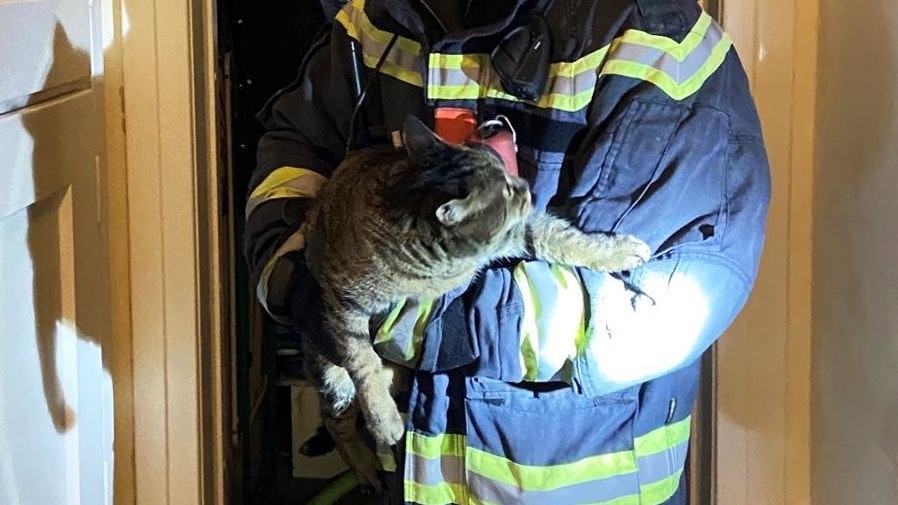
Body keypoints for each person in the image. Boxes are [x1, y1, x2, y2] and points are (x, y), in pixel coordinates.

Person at [243, 0, 771, 503]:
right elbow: (296, 145)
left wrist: (442, 327)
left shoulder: (657, 42)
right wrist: (289, 270)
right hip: (405, 470)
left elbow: (661, 302)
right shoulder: (373, 16)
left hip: (570, 487)